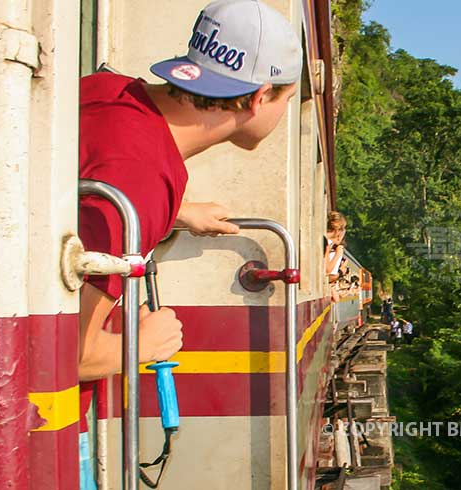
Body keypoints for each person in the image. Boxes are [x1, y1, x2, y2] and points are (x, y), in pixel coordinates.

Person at [77, 1, 302, 488]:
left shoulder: (108, 92)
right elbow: (65, 353)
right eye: (288, 99)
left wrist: (177, 209)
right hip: (42, 426)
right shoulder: (135, 184)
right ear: (259, 97)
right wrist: (143, 344)